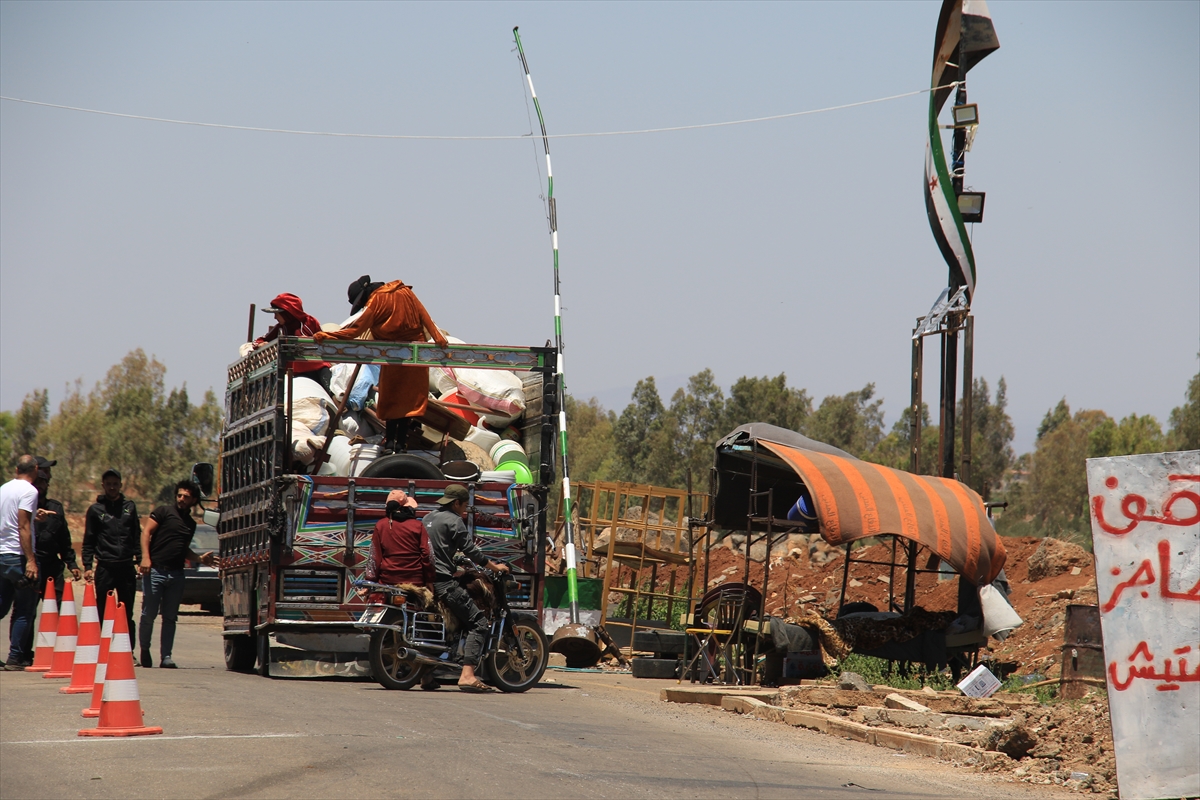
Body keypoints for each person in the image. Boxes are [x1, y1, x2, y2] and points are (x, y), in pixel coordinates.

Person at [313, 275, 449, 453]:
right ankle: (400, 444)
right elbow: (425, 316)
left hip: (392, 356)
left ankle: (391, 442)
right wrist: (438, 338)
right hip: (414, 356)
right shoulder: (405, 291)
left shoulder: (376, 300)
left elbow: (356, 330)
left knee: (391, 400)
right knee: (409, 402)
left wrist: (328, 336)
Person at [422, 484, 508, 693]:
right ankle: (468, 675)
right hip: (443, 582)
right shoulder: (454, 521)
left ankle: (426, 675)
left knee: (443, 625)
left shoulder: (427, 518)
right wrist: (494, 566)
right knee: (478, 622)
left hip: (427, 581)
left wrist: (457, 559)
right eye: (464, 505)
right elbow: (472, 551)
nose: (465, 509)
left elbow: (439, 548)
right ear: (456, 503)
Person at [138, 479, 213, 668]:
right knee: (149, 614)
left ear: (194, 500)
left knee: (170, 617)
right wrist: (145, 558)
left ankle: (166, 656)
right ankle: (144, 649)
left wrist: (200, 559)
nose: (181, 499)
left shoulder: (190, 524)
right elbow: (146, 532)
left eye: (186, 497)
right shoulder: (163, 512)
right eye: (179, 495)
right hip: (155, 571)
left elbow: (183, 550)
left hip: (177, 575)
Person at [1, 455, 50, 669]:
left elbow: (11, 518)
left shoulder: (3, 488)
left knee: (2, 605)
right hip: (17, 555)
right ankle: (15, 658)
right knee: (24, 608)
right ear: (36, 469)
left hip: (2, 555)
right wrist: (31, 560)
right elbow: (22, 526)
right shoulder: (30, 491)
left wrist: (33, 518)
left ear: (16, 468)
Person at [83, 468, 141, 645]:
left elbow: (136, 535)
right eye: (109, 484)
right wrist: (87, 566)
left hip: (126, 567)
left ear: (120, 485)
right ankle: (104, 647)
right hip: (105, 568)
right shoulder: (95, 510)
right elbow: (89, 539)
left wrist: (140, 559)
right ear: (103, 485)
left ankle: (127, 651)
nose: (112, 487)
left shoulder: (129, 508)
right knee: (103, 610)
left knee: (126, 611)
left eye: (115, 484)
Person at [252, 293, 333, 396]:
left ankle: (336, 400)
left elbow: (321, 341)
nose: (274, 317)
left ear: (287, 313)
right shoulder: (281, 328)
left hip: (317, 368)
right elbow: (258, 341)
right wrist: (260, 345)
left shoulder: (309, 322)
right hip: (293, 372)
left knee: (329, 386)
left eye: (277, 313)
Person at [366, 490, 434, 588]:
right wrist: (429, 580)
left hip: (388, 581)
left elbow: (374, 556)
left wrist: (370, 581)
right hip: (415, 582)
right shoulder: (417, 525)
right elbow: (428, 554)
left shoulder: (381, 525)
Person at [33, 465, 80, 601]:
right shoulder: (23, 508)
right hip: (31, 566)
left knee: (58, 608)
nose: (39, 486)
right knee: (26, 612)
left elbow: (64, 539)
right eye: (36, 483)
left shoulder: (56, 507)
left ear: (47, 485)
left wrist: (72, 564)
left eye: (43, 483)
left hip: (52, 567)